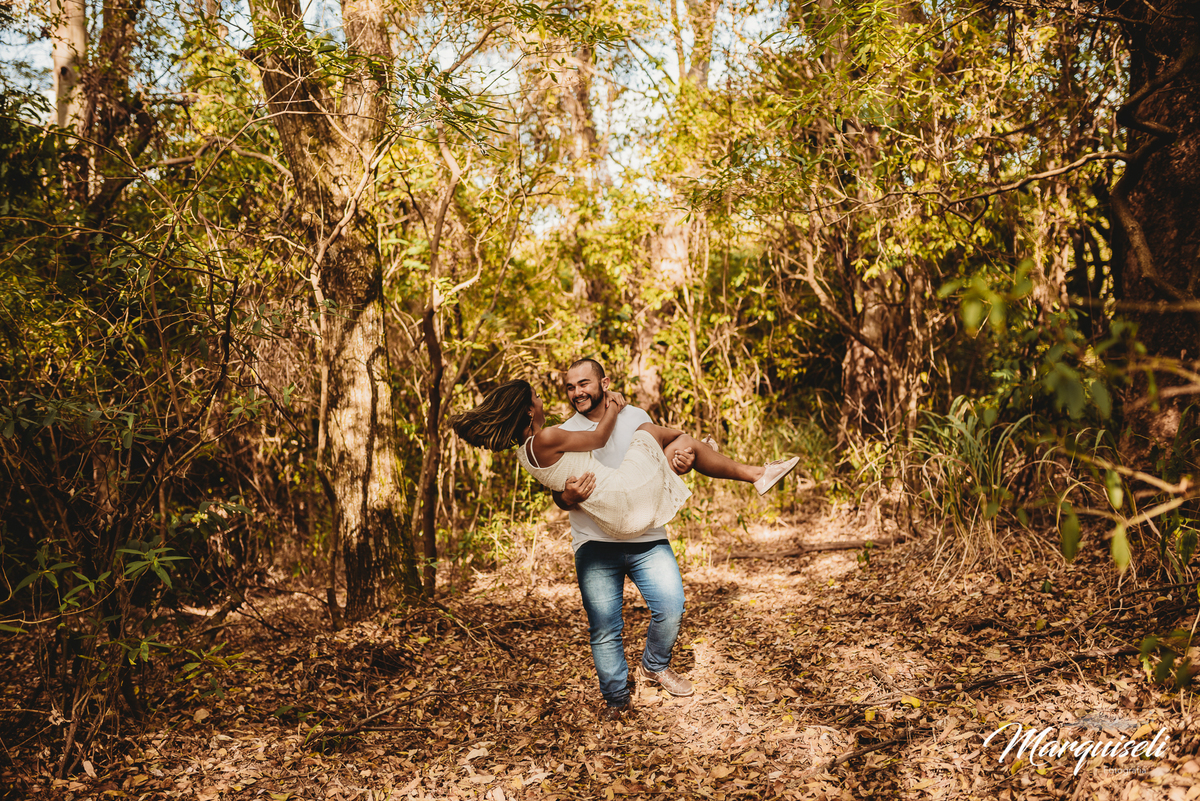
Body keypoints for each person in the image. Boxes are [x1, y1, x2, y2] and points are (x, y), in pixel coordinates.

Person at [451, 359, 799, 718]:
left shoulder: (565, 438)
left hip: (639, 524)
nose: (574, 393)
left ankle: (654, 665)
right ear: (527, 409)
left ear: (604, 382)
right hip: (603, 531)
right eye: (567, 388)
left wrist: (681, 456)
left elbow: (570, 469)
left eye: (583, 384)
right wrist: (569, 493)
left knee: (671, 607)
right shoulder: (558, 432)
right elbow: (568, 481)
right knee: (605, 628)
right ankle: (617, 702)